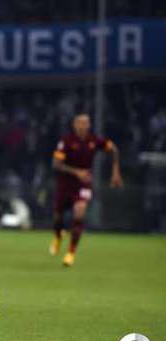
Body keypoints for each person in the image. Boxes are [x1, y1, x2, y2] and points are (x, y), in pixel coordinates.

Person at [51, 113, 123, 266]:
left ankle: (71, 252)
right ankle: (58, 236)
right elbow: (56, 164)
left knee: (80, 212)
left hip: (83, 184)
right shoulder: (66, 141)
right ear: (74, 124)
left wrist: (116, 171)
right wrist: (76, 172)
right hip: (65, 184)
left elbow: (114, 149)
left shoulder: (94, 140)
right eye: (80, 122)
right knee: (58, 217)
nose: (83, 125)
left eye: (86, 123)